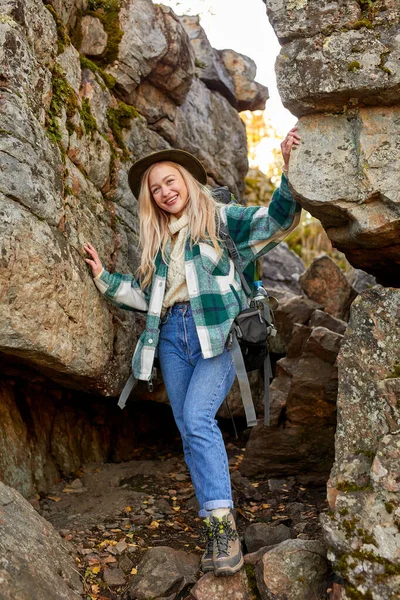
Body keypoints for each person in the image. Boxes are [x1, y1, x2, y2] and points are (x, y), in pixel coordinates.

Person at [84, 127, 301, 577]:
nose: (164, 192)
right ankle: (214, 520)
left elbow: (276, 220)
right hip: (171, 339)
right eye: (155, 188)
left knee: (199, 419)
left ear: (186, 178)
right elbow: (149, 299)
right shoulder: (160, 245)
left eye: (169, 181)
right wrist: (105, 277)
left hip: (217, 335)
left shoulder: (221, 221)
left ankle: (223, 532)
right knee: (187, 427)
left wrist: (288, 167)